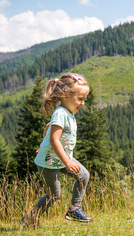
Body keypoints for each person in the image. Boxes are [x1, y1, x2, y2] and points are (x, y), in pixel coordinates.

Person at [21, 73, 92, 228]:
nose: (83, 103)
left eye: (84, 99)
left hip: (61, 158)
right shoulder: (60, 113)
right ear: (66, 95)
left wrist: (43, 143)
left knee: (83, 175)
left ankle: (74, 209)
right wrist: (66, 160)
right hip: (49, 162)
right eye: (80, 99)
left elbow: (49, 127)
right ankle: (29, 218)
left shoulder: (68, 113)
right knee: (54, 195)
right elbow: (54, 139)